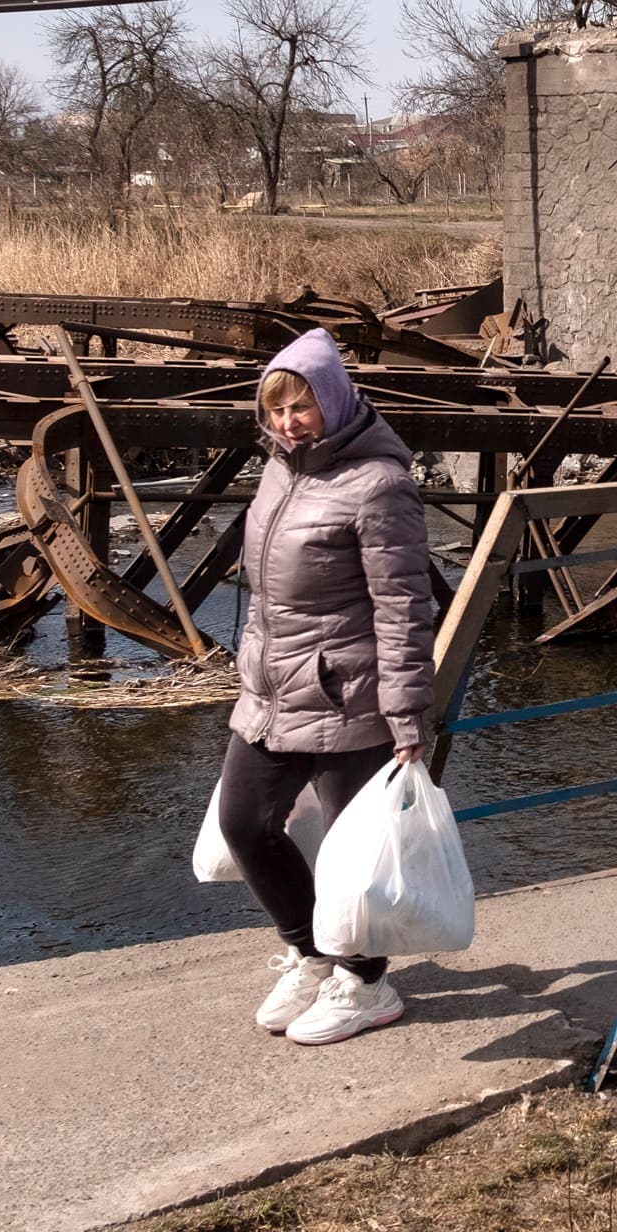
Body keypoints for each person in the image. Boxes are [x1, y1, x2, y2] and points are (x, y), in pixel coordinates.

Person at [215, 326, 435, 1045]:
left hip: (350, 693)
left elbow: (404, 608)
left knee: (351, 859)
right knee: (243, 822)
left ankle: (366, 983)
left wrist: (407, 718)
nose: (286, 422)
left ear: (334, 401)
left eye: (300, 406)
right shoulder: (283, 469)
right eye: (275, 409)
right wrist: (248, 669)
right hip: (273, 689)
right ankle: (310, 952)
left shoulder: (381, 484)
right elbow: (267, 595)